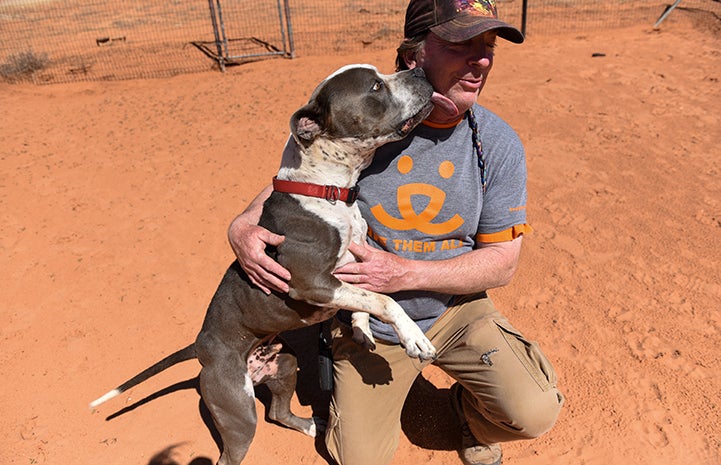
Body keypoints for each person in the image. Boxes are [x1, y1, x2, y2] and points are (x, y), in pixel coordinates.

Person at [228, 0, 564, 464]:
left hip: (454, 309)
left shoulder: (497, 143)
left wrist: (404, 274)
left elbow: (502, 263)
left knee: (533, 411)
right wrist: (242, 225)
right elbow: (296, 183)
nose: (481, 59)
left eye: (487, 47)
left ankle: (471, 418)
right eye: (461, 44)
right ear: (415, 56)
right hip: (372, 325)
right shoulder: (366, 120)